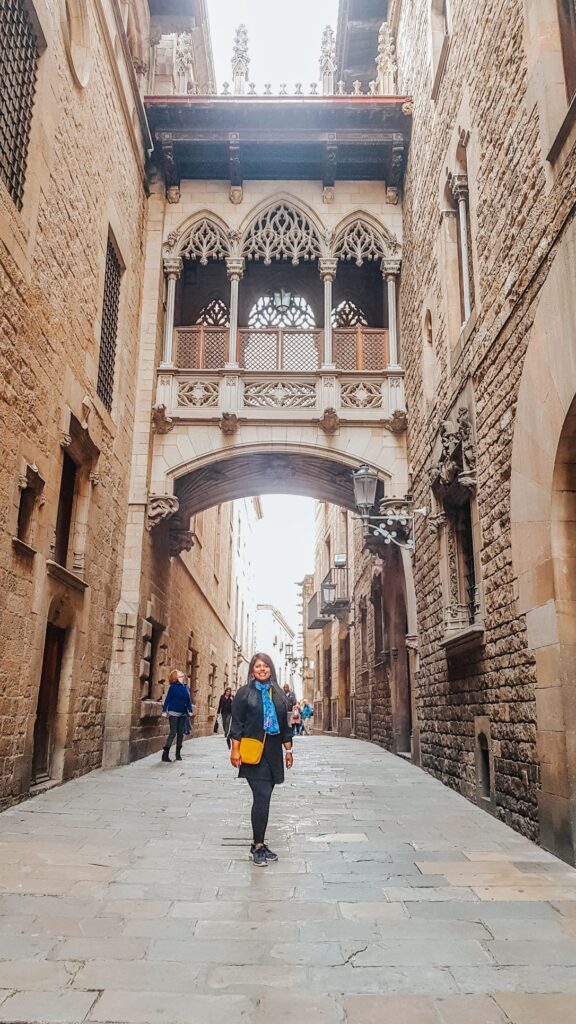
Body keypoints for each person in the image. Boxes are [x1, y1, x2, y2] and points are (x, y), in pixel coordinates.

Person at [230, 653, 293, 866]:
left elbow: (285, 724)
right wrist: (234, 750)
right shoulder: (244, 693)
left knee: (265, 797)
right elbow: (236, 723)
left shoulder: (279, 695)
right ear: (252, 670)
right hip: (252, 751)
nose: (262, 669)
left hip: (273, 751)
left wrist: (288, 750)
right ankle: (258, 846)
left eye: (266, 666)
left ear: (271, 669)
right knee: (262, 795)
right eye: (258, 666)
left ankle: (259, 843)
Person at [161, 669, 193, 762]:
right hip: (173, 712)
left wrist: (190, 710)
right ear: (176, 677)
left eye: (182, 675)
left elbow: (188, 700)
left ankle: (178, 754)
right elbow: (168, 699)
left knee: (180, 734)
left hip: (183, 714)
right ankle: (165, 754)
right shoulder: (173, 687)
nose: (182, 676)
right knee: (173, 732)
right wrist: (164, 711)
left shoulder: (186, 687)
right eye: (180, 675)